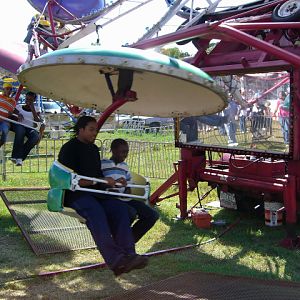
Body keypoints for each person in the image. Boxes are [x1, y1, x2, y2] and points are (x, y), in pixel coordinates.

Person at [58, 116, 148, 276]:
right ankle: (116, 261)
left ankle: (129, 255)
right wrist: (99, 181)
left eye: (96, 130)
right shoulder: (69, 148)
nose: (95, 133)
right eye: (91, 129)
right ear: (81, 130)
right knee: (96, 214)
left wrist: (111, 183)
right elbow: (67, 178)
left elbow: (97, 174)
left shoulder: (93, 149)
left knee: (121, 209)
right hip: (75, 194)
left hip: (96, 193)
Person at [101, 138, 159, 243]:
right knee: (130, 213)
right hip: (110, 198)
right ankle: (122, 240)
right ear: (113, 150)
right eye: (122, 152)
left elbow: (129, 185)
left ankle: (128, 241)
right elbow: (99, 181)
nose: (125, 155)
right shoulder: (103, 164)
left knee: (152, 215)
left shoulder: (125, 166)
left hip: (124, 199)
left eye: (127, 152)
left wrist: (126, 187)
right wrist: (111, 185)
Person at [10, 91, 44, 166]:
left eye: (31, 100)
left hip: (29, 128)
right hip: (18, 125)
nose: (28, 101)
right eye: (27, 99)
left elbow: (37, 122)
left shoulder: (37, 109)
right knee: (21, 130)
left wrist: (33, 110)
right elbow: (12, 114)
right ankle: (16, 156)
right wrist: (18, 114)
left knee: (35, 137)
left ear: (34, 100)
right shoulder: (19, 107)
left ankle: (20, 157)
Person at [0, 83, 17, 148]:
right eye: (7, 89)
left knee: (4, 132)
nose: (9, 91)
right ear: (3, 89)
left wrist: (12, 114)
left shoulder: (13, 101)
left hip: (4, 120)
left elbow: (12, 112)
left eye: (10, 89)